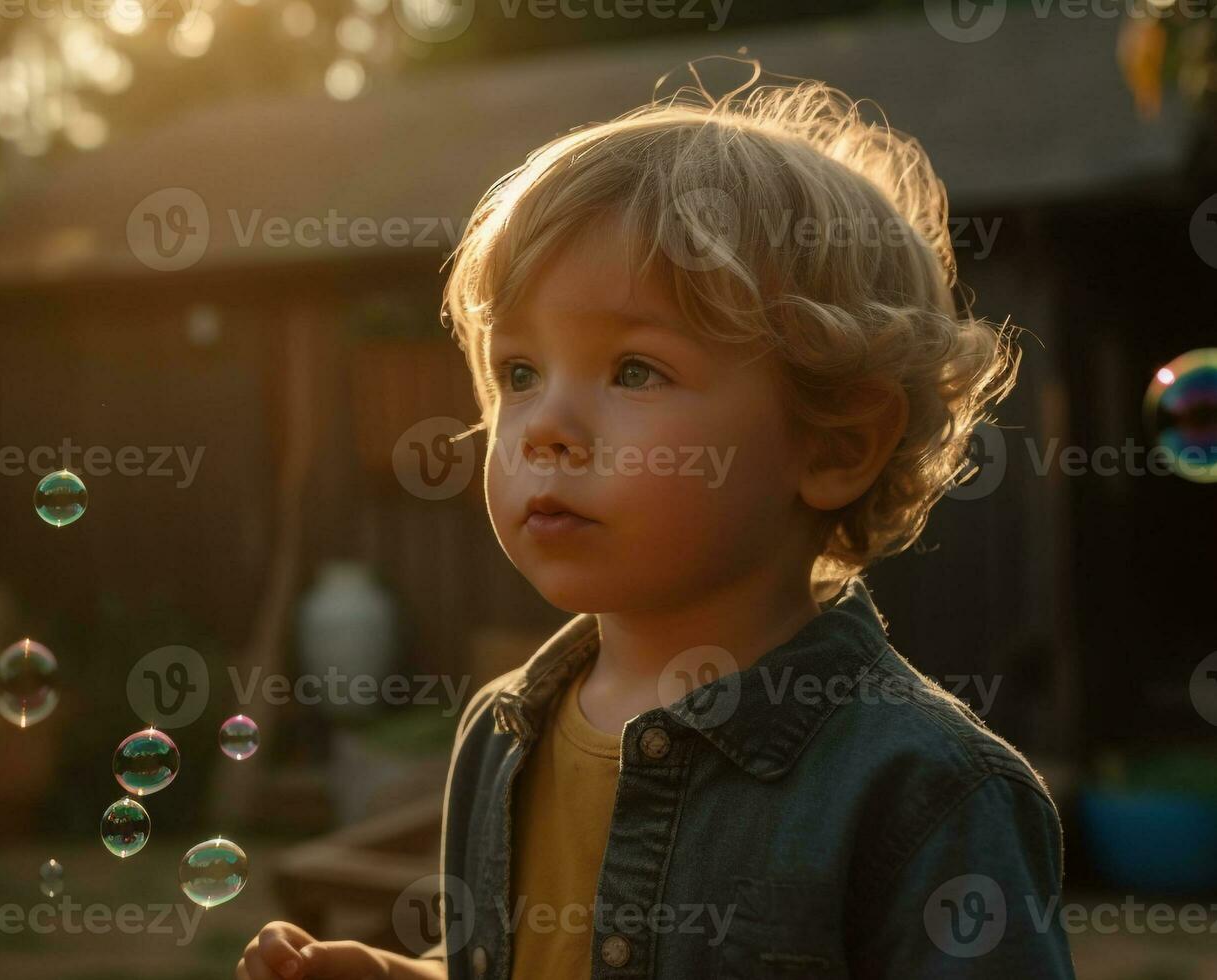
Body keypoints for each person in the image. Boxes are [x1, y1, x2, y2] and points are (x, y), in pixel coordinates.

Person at [237, 63, 1074, 979]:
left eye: (634, 369)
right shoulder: (503, 731)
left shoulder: (924, 791)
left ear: (834, 445)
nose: (544, 426)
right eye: (518, 373)